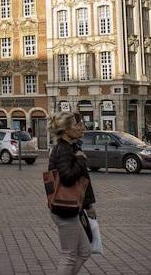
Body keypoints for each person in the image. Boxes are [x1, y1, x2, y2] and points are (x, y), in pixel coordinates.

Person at [46, 111, 94, 275]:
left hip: (68, 208)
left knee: (85, 251)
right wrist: (80, 159)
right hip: (65, 208)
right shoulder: (64, 149)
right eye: (75, 124)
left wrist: (87, 204)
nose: (79, 127)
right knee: (69, 255)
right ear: (66, 130)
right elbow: (67, 177)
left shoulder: (67, 147)